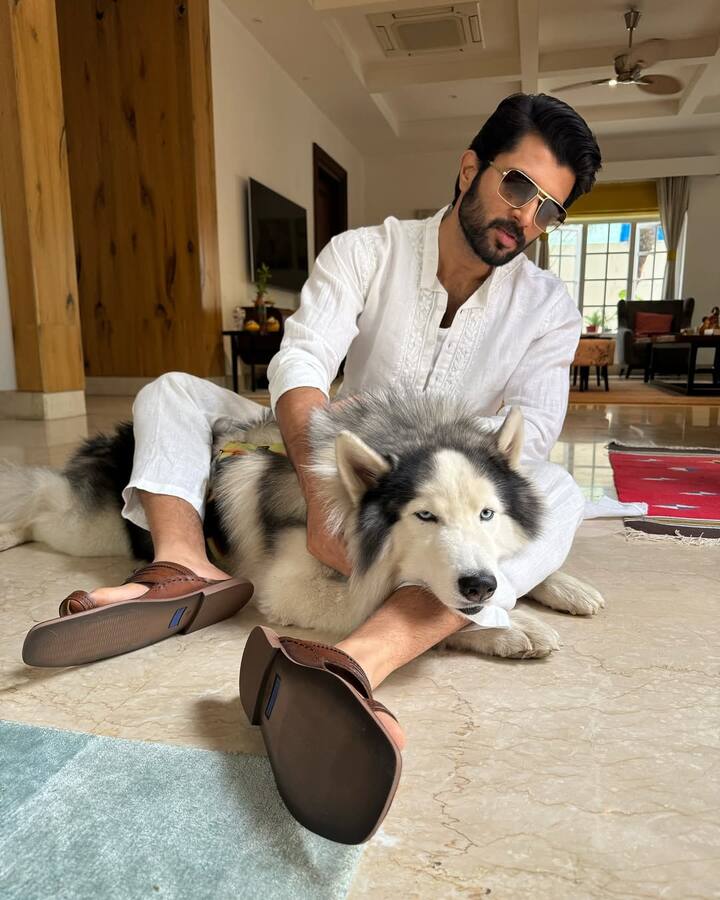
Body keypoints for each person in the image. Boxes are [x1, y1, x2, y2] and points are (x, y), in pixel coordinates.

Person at [34, 92, 601, 763]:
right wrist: (313, 478)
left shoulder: (548, 307)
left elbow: (529, 432)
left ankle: (369, 653)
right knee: (173, 393)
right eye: (517, 184)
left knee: (560, 486)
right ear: (469, 168)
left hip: (452, 486)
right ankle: (183, 564)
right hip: (342, 463)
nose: (525, 217)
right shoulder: (367, 251)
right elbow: (302, 358)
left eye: (548, 209)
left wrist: (457, 494)